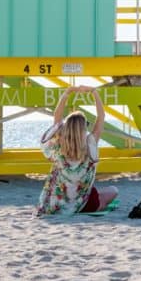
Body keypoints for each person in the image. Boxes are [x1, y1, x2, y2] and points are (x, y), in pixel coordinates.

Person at [36, 86, 118, 216]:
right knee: (113, 190)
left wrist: (67, 92)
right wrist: (94, 92)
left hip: (56, 204)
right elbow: (101, 116)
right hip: (83, 203)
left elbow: (57, 118)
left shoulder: (58, 145)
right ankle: (94, 205)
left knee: (100, 192)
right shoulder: (90, 143)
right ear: (83, 128)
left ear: (67, 127)